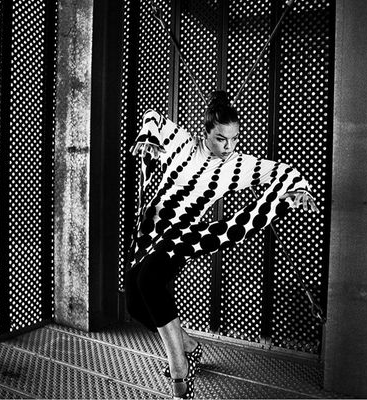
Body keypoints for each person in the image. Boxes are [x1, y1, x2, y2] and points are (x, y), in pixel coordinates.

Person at [126, 90, 317, 399]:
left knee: (150, 280)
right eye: (220, 139)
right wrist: (149, 136)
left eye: (233, 139)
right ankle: (188, 345)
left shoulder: (236, 165)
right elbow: (154, 118)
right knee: (136, 304)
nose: (228, 147)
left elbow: (283, 171)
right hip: (152, 228)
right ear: (205, 133)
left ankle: (179, 370)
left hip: (185, 232)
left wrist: (298, 188)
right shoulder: (184, 145)